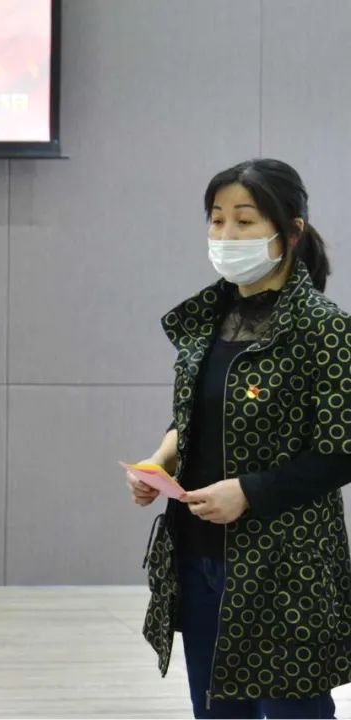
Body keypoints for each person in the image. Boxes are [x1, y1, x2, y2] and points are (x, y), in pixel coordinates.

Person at [126, 159, 351, 718]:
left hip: (285, 565)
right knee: (216, 709)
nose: (226, 235)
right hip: (199, 552)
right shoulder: (208, 318)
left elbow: (340, 452)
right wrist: (159, 461)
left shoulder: (324, 328)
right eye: (216, 219)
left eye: (245, 221)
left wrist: (248, 492)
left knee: (294, 709)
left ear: (291, 231)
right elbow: (195, 415)